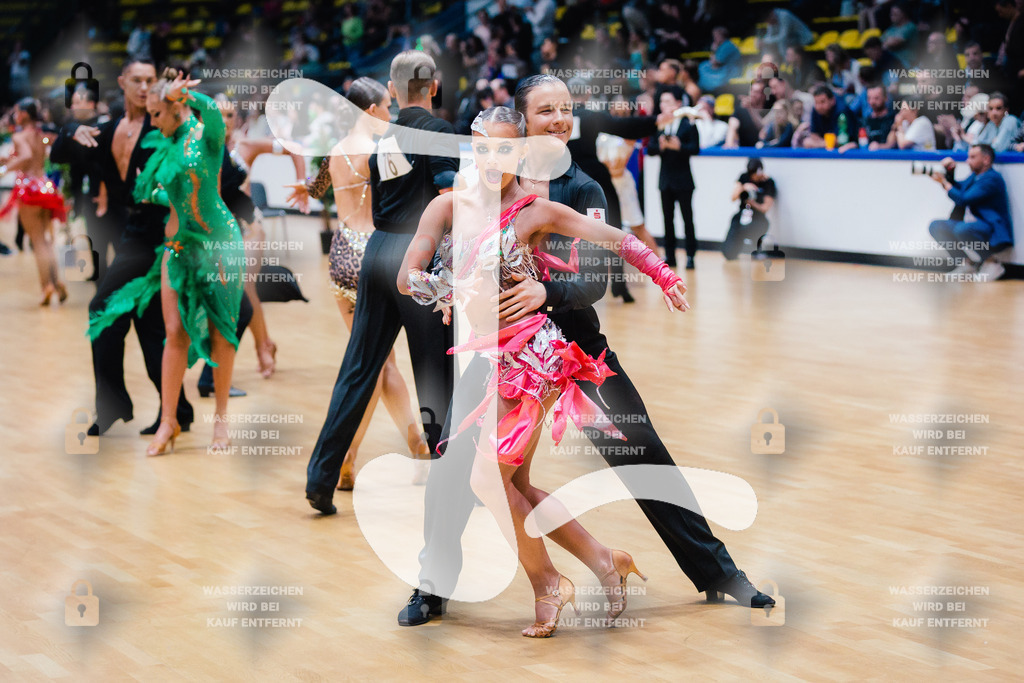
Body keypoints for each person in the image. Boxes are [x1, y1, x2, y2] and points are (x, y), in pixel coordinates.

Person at [397, 74, 775, 628]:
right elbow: (439, 258)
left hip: (576, 347)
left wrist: (546, 292)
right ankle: (434, 588)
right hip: (500, 355)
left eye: (565, 109)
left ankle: (718, 573)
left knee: (639, 447)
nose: (558, 119)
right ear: (519, 124)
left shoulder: (582, 190)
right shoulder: (479, 191)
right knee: (458, 467)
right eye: (545, 110)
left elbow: (597, 279)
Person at [304, 51, 457, 514]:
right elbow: (449, 195)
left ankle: (320, 477)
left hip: (375, 255)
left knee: (358, 369)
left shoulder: (384, 136)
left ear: (392, 90)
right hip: (417, 259)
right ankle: (447, 484)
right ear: (433, 86)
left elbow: (327, 186)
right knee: (434, 373)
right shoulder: (438, 132)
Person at [87, 69, 245, 456]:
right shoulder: (164, 143)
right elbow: (170, 193)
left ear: (177, 107)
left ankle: (221, 424)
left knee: (222, 332)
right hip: (175, 246)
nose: (152, 121)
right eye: (151, 114)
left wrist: (189, 96)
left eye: (158, 113)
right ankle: (168, 420)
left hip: (218, 245)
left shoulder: (206, 136)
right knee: (173, 333)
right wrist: (151, 192)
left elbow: (212, 110)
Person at [286, 77, 430, 490]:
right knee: (375, 365)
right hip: (376, 256)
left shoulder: (335, 149)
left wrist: (304, 188)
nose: (391, 112)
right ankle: (352, 455)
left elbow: (316, 189)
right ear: (370, 111)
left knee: (374, 363)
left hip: (341, 257)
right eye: (386, 106)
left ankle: (410, 444)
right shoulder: (382, 150)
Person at [55, 59, 194, 438]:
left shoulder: (165, 124)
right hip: (134, 231)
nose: (145, 85)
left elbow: (197, 144)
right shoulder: (107, 130)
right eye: (137, 80)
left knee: (102, 307)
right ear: (122, 82)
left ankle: (117, 404)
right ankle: (178, 409)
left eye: (151, 79)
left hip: (162, 236)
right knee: (151, 329)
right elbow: (57, 154)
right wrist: (70, 130)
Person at [0, 97, 68, 305]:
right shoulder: (41, 134)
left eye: (17, 111)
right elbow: (34, 156)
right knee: (45, 240)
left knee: (37, 240)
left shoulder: (20, 135)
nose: (14, 115)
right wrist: (10, 161)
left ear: (24, 114)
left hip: (29, 190)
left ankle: (46, 286)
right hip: (45, 186)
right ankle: (56, 283)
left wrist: (3, 170)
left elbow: (26, 156)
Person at [50, 85, 113, 282]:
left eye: (78, 102)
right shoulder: (71, 128)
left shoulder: (106, 126)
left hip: (107, 193)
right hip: (83, 192)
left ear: (91, 104)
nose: (74, 107)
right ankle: (99, 272)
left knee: (110, 236)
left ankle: (111, 276)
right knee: (93, 234)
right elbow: (56, 155)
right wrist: (71, 131)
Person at [928, 144, 1014, 279]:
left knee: (962, 229)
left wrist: (944, 183)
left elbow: (964, 199)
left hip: (991, 228)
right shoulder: (975, 176)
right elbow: (960, 189)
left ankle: (992, 262)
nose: (968, 161)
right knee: (936, 226)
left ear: (986, 159)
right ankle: (966, 264)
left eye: (973, 157)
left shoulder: (992, 178)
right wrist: (950, 173)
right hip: (972, 225)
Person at [649, 86, 700, 269]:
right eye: (662, 101)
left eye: (668, 101)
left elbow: (695, 148)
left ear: (678, 103)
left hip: (684, 179)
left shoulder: (688, 124)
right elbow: (651, 148)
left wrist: (679, 147)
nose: (664, 105)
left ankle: (691, 256)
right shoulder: (660, 124)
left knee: (687, 219)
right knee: (667, 220)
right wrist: (662, 147)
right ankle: (670, 255)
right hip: (665, 180)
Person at [722, 158, 776, 260]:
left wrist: (753, 203)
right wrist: (743, 187)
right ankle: (734, 247)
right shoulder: (744, 178)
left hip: (758, 217)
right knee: (728, 254)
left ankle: (756, 246)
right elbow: (733, 197)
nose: (754, 177)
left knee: (753, 227)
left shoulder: (768, 182)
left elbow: (765, 208)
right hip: (742, 215)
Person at [840, 84, 896, 151]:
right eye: (869, 98)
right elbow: (859, 142)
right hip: (867, 160)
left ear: (885, 98)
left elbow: (894, 144)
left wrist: (880, 146)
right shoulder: (863, 122)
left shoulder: (894, 119)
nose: (872, 102)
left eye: (876, 98)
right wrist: (852, 145)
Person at [698, 27, 743, 92]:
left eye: (715, 36)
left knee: (703, 67)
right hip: (725, 69)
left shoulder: (727, 45)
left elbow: (716, 62)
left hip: (731, 71)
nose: (714, 38)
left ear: (720, 36)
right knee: (703, 65)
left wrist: (713, 50)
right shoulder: (723, 45)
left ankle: (708, 90)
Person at [881, 3, 917, 67]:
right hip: (892, 62)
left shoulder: (910, 26)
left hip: (907, 62)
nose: (891, 15)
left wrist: (887, 42)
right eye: (891, 13)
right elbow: (880, 43)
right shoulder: (891, 28)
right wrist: (888, 42)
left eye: (895, 13)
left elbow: (894, 43)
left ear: (903, 13)